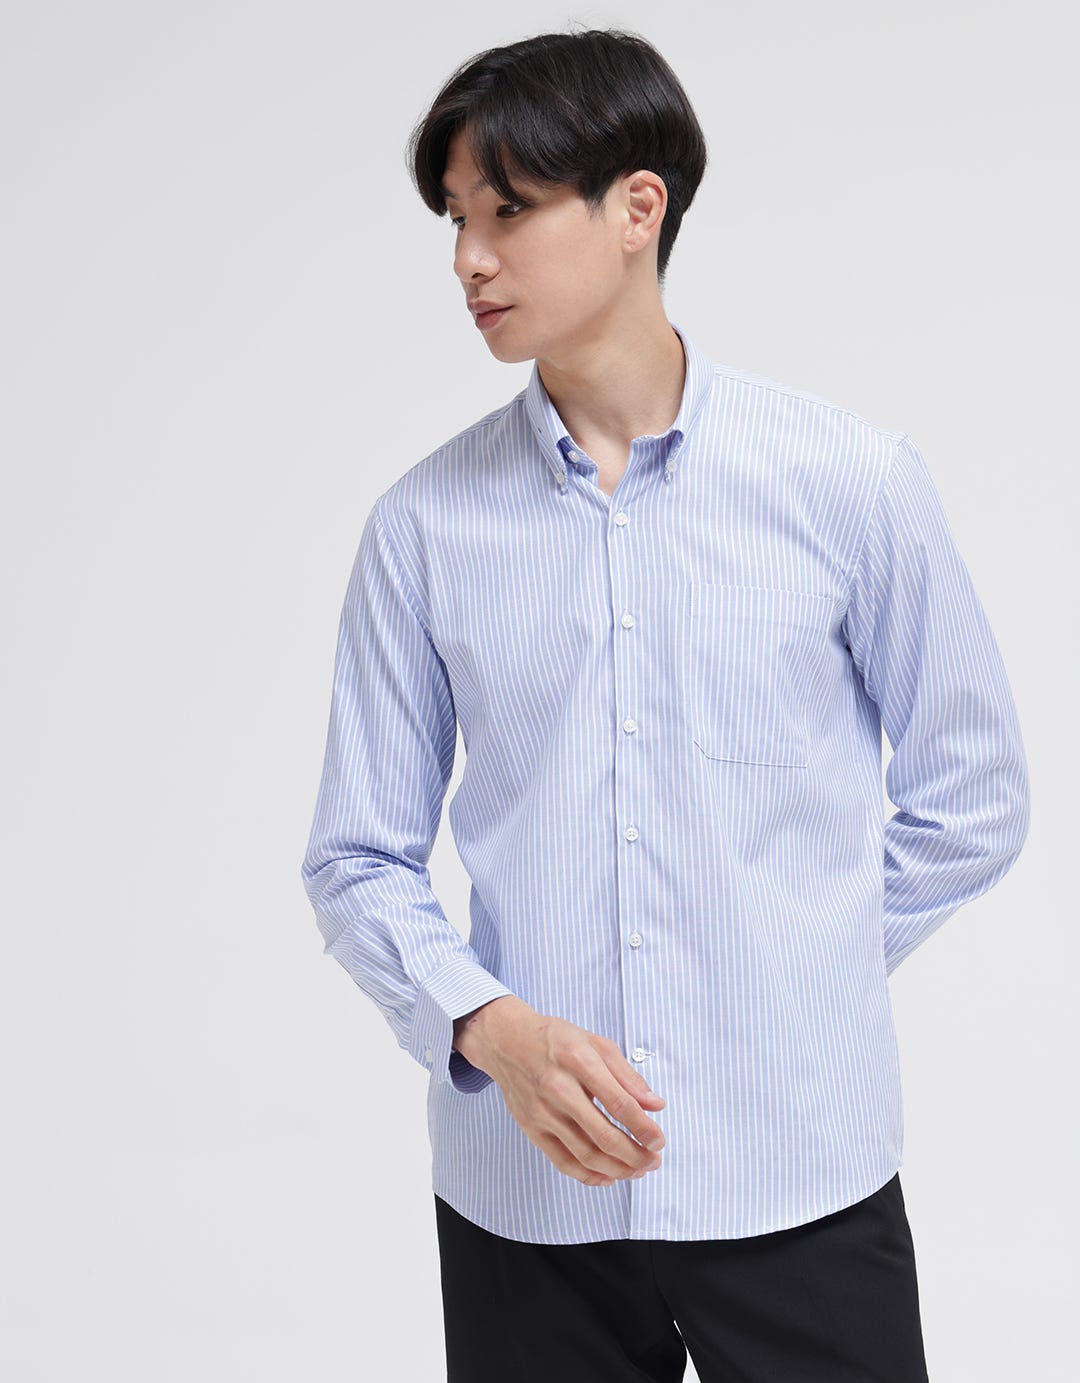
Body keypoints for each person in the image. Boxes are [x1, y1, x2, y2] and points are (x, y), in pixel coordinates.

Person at [300, 25, 1030, 1383]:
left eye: (508, 210)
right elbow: (357, 855)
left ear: (638, 207)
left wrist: (791, 968)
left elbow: (973, 795)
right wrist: (489, 1028)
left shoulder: (850, 483)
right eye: (456, 219)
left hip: (799, 1172)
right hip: (526, 1196)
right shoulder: (422, 529)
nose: (469, 260)